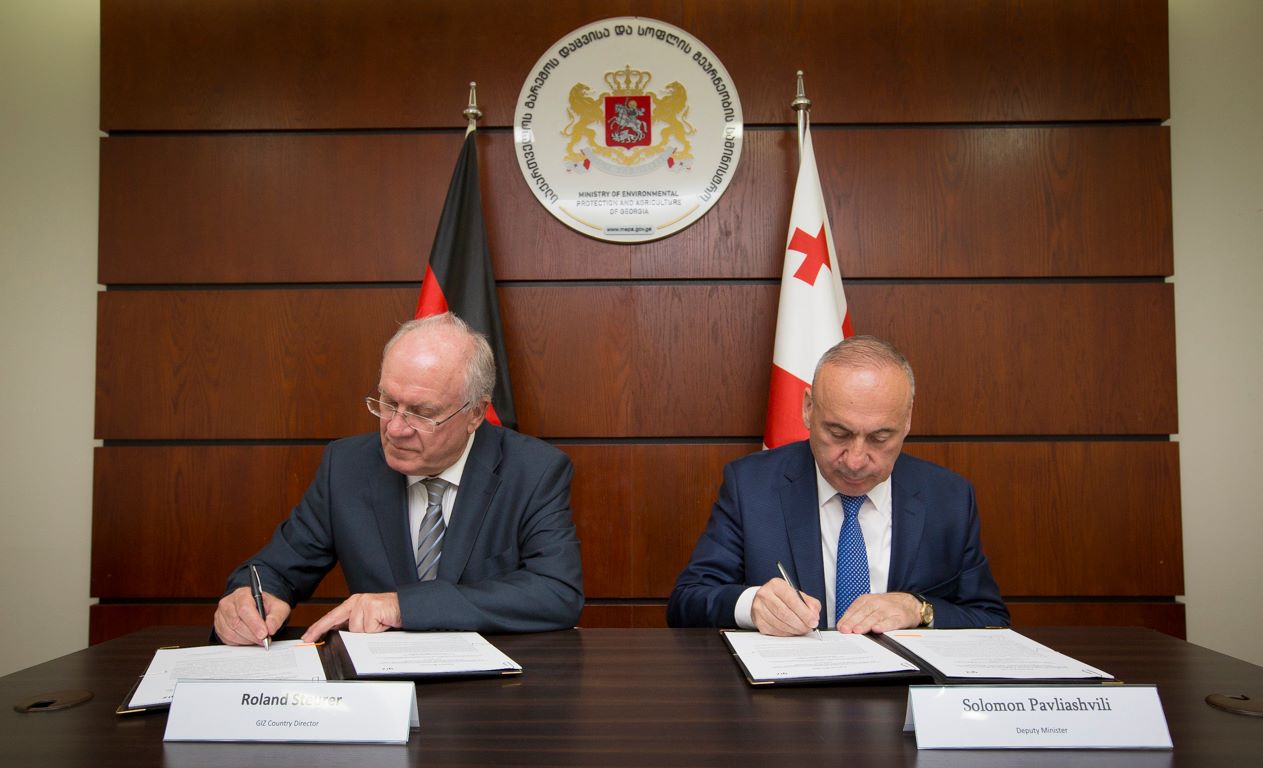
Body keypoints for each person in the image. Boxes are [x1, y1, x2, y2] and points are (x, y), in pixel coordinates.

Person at [213, 312, 583, 645]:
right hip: (379, 684)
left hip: (493, 688)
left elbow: (556, 593)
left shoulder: (534, 471)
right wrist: (250, 597)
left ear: (475, 414)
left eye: (421, 413)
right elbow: (275, 568)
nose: (395, 429)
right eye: (388, 403)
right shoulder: (347, 466)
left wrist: (403, 606)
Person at [667, 335, 1007, 636]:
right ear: (808, 409)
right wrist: (751, 604)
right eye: (838, 433)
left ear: (907, 421)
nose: (855, 460)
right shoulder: (751, 487)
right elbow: (687, 602)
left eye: (880, 438)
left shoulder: (949, 497)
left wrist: (920, 609)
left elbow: (991, 621)